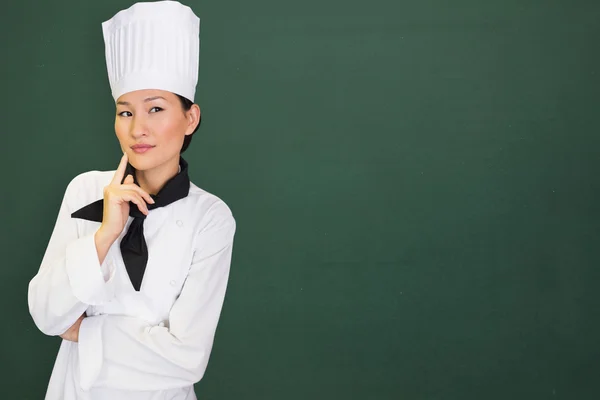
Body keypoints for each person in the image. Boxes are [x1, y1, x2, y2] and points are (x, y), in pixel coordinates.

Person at [27, 2, 236, 399]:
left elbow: (188, 359)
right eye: (125, 112)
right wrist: (105, 234)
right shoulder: (86, 190)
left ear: (190, 118)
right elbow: (45, 314)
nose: (138, 128)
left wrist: (86, 331)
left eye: (155, 109)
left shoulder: (210, 218)